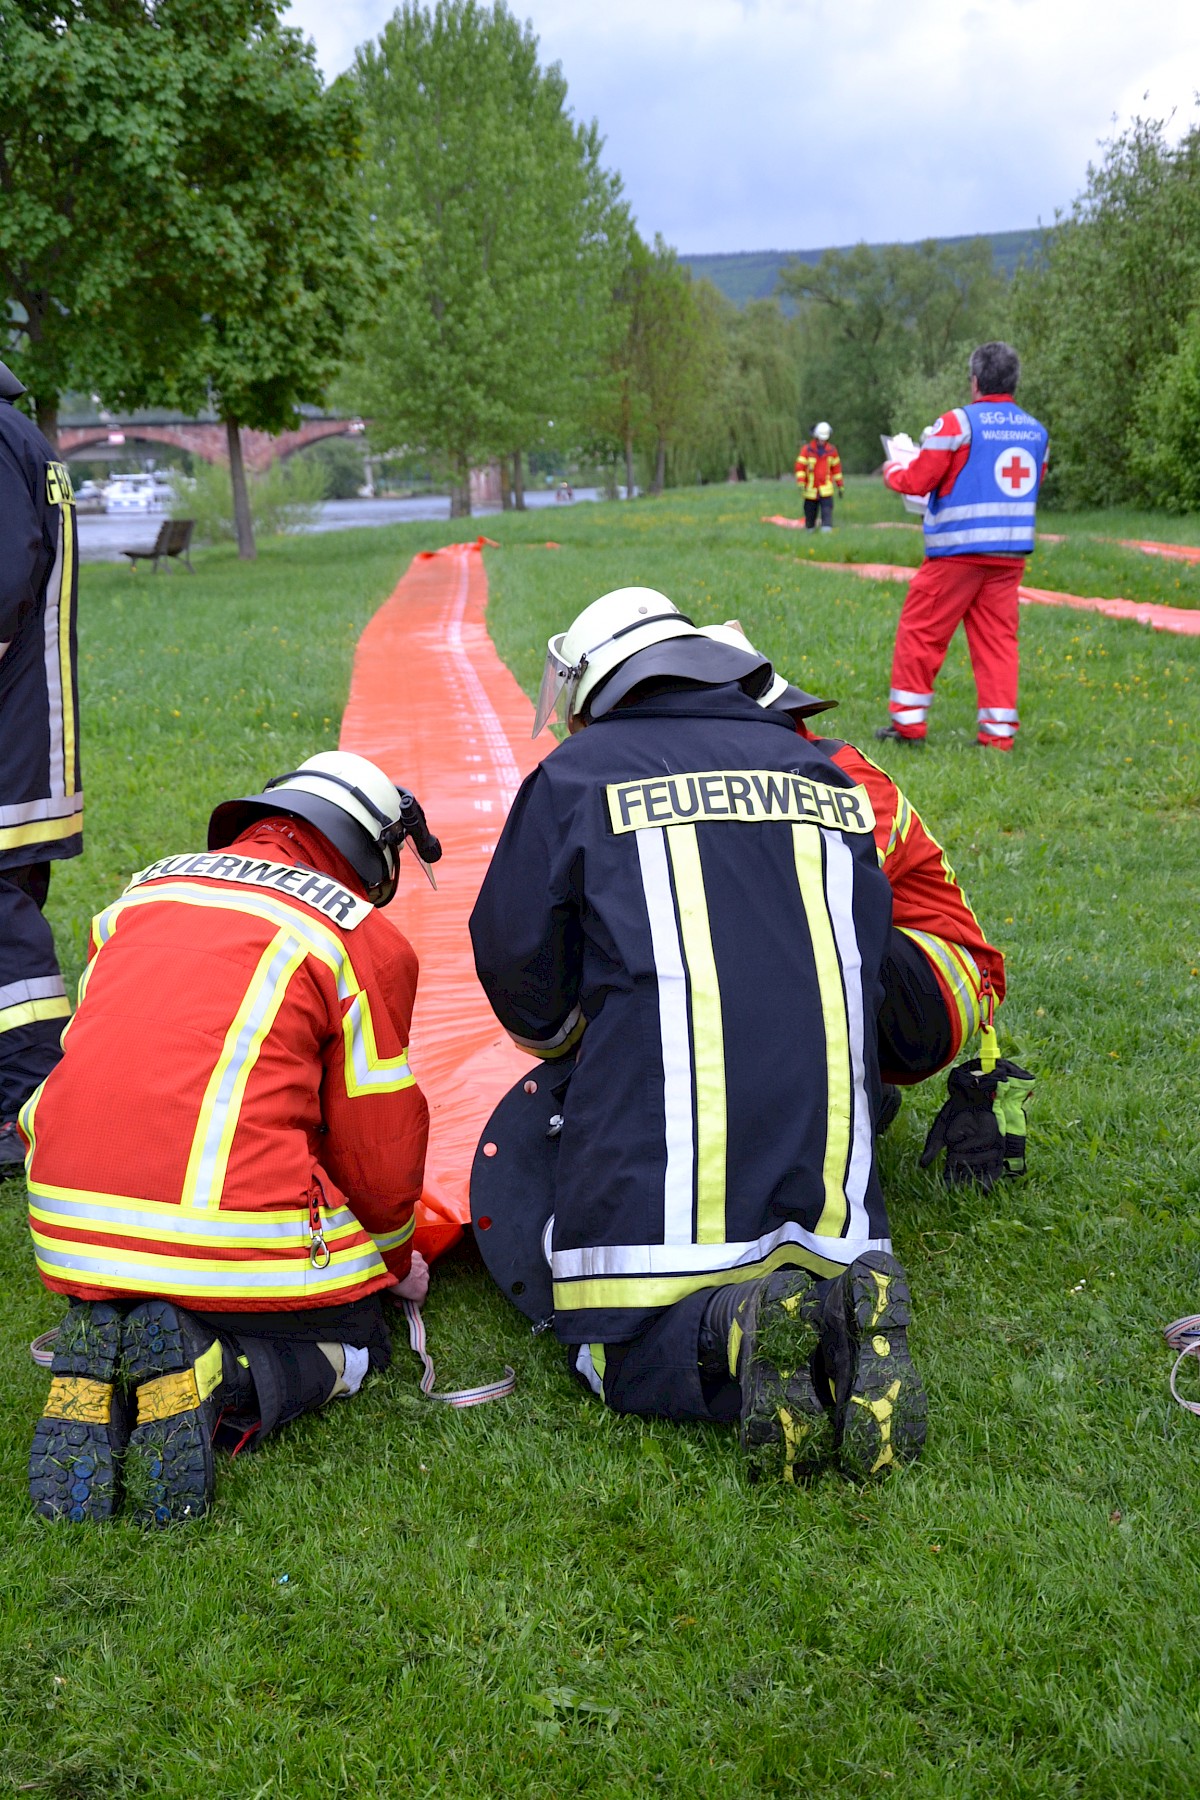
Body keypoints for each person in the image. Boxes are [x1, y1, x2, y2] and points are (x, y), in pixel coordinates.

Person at [469, 590, 926, 1484]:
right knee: (816, 1262)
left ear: (594, 685)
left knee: (614, 1353)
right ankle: (842, 1312)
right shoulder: (827, 776)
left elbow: (518, 968)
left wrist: (575, 1039)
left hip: (657, 1197)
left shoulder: (576, 777)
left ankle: (739, 1324)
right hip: (836, 1185)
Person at [24, 752, 440, 1525]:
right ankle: (218, 1369)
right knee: (358, 1337)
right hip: (215, 1225)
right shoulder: (359, 935)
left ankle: (110, 1355)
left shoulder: (142, 891)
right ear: (369, 856)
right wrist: (391, 1262)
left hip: (66, 1220)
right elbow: (377, 1141)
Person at [698, 624, 1005, 1105]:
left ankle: (843, 1103)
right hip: (874, 961)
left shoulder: (841, 773)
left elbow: (833, 890)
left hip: (935, 982)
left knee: (784, 938)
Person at [876, 341, 1049, 750]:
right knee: (998, 644)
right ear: (1014, 382)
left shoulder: (957, 424)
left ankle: (909, 726)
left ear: (975, 381)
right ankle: (998, 734)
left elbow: (918, 480)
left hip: (956, 554)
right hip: (1009, 556)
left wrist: (893, 468)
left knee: (921, 634)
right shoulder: (1036, 431)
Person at [0, 358, 81, 1170]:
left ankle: (28, 1103)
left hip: (9, 736)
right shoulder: (26, 438)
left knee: (4, 929)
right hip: (29, 732)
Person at [795, 422, 844, 531]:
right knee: (810, 514)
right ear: (816, 436)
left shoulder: (832, 451)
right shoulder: (806, 450)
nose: (822, 441)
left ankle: (826, 534)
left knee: (827, 512)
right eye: (820, 438)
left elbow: (836, 470)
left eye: (824, 439)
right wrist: (801, 482)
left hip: (826, 490)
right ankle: (810, 533)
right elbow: (800, 467)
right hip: (810, 490)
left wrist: (840, 485)